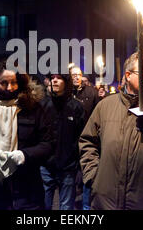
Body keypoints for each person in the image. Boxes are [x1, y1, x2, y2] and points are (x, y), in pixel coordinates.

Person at [79, 49, 143, 209]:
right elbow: (87, 141)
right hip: (105, 201)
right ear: (128, 75)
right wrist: (93, 176)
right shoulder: (105, 105)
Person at [0, 60, 54, 210]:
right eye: (3, 83)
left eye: (14, 82)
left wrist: (25, 155)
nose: (9, 88)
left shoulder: (33, 109)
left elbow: (48, 144)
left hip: (28, 193)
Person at [40, 73, 85, 210]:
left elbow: (81, 136)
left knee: (66, 207)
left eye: (59, 78)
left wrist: (78, 165)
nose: (55, 80)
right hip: (46, 166)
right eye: (52, 77)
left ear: (66, 82)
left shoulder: (76, 107)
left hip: (68, 167)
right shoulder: (42, 105)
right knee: (44, 205)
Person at [70, 66, 100, 209]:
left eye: (78, 75)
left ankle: (86, 207)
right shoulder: (67, 93)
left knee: (87, 173)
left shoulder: (91, 92)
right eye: (73, 75)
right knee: (70, 177)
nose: (76, 77)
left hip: (87, 138)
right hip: (70, 141)